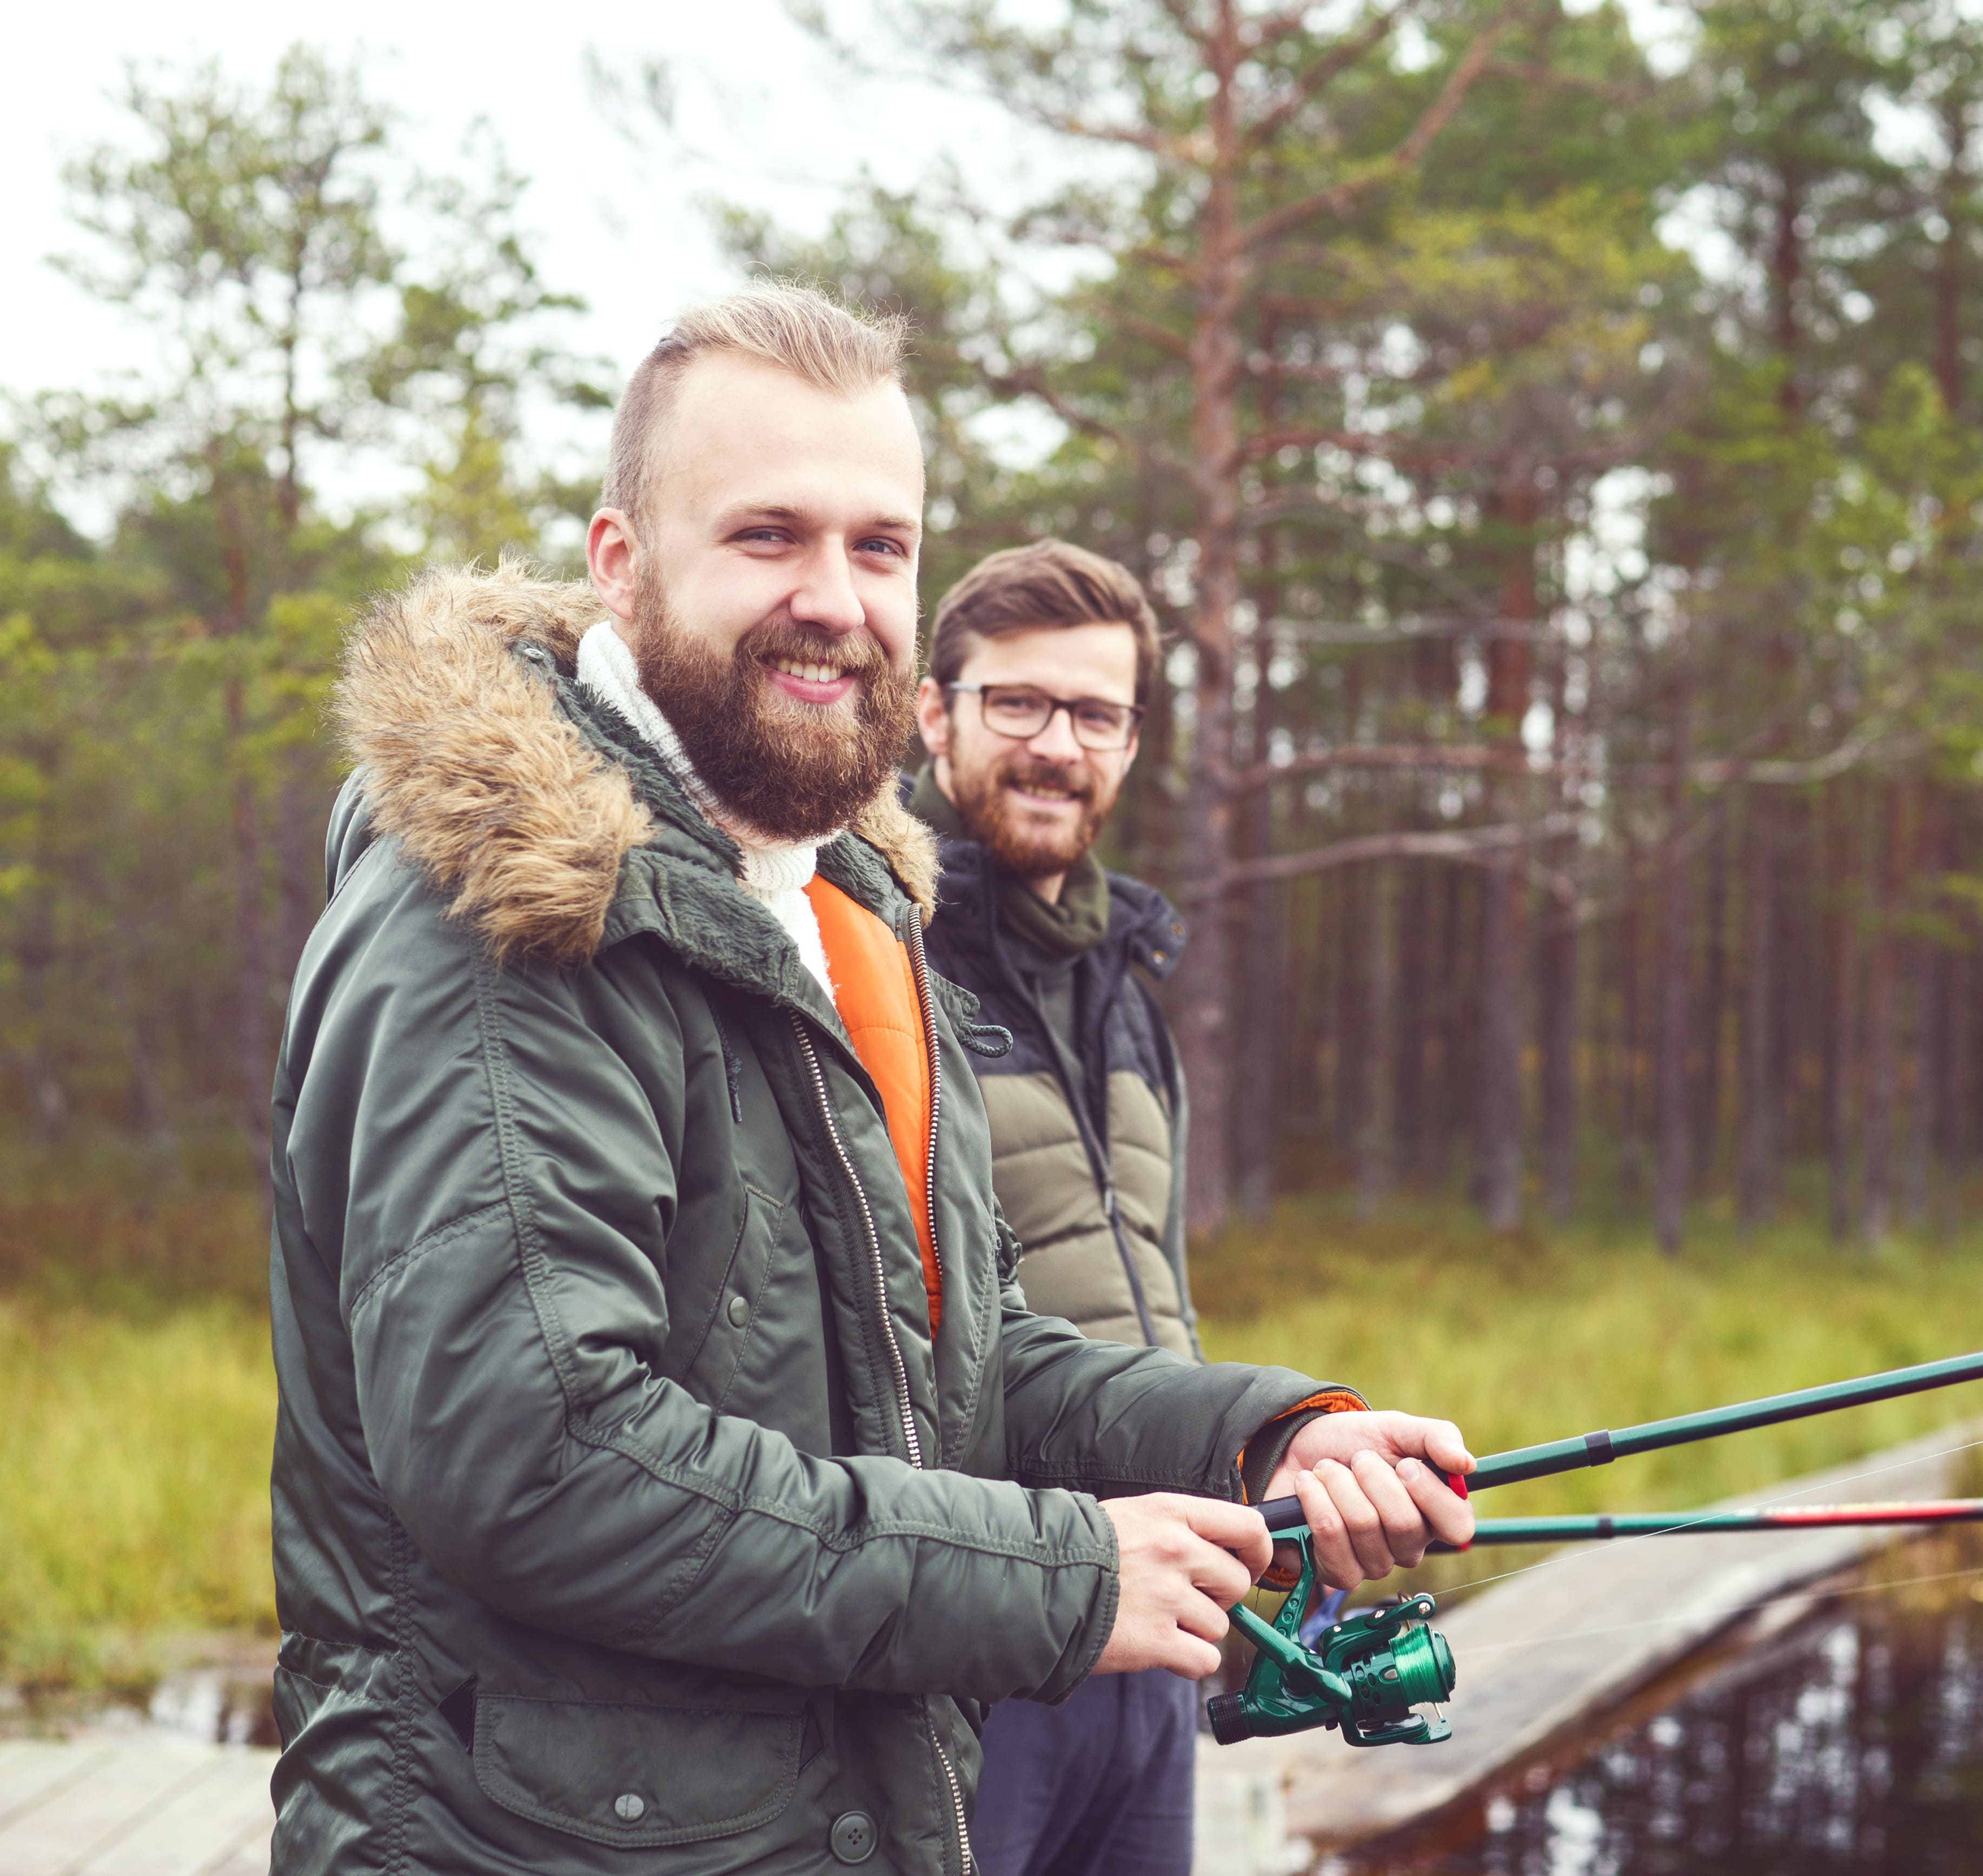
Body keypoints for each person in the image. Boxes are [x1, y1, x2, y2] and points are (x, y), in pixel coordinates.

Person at [265, 284, 1476, 1875]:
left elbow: (963, 1364)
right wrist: (1062, 1575)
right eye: (767, 535)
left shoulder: (843, 908)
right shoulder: (502, 918)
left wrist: (1257, 1439)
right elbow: (540, 1460)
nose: (833, 599)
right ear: (620, 560)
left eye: (880, 545)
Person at [908, 542, 1208, 1874]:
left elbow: (1157, 1283)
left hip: (1163, 1621)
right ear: (936, 713)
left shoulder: (1128, 985)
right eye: (1018, 703)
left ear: (1129, 743)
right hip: (979, 1644)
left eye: (1094, 713)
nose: (1055, 746)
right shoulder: (875, 953)